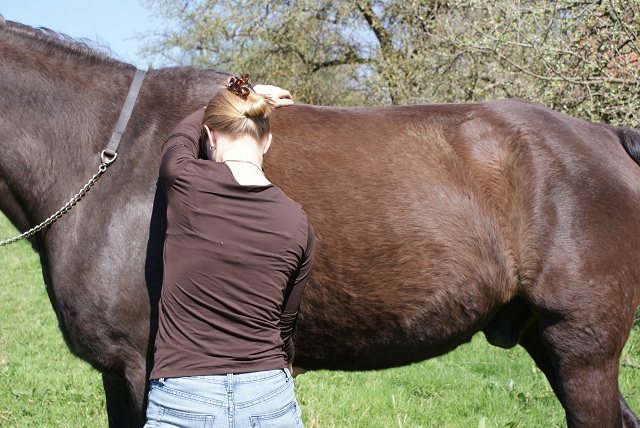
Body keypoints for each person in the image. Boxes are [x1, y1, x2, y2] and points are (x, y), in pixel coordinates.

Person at [144, 74, 314, 428]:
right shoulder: (298, 221)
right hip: (267, 395)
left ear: (209, 137)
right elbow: (285, 324)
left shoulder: (184, 180)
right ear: (267, 141)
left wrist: (232, 96)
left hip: (185, 394)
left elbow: (178, 137)